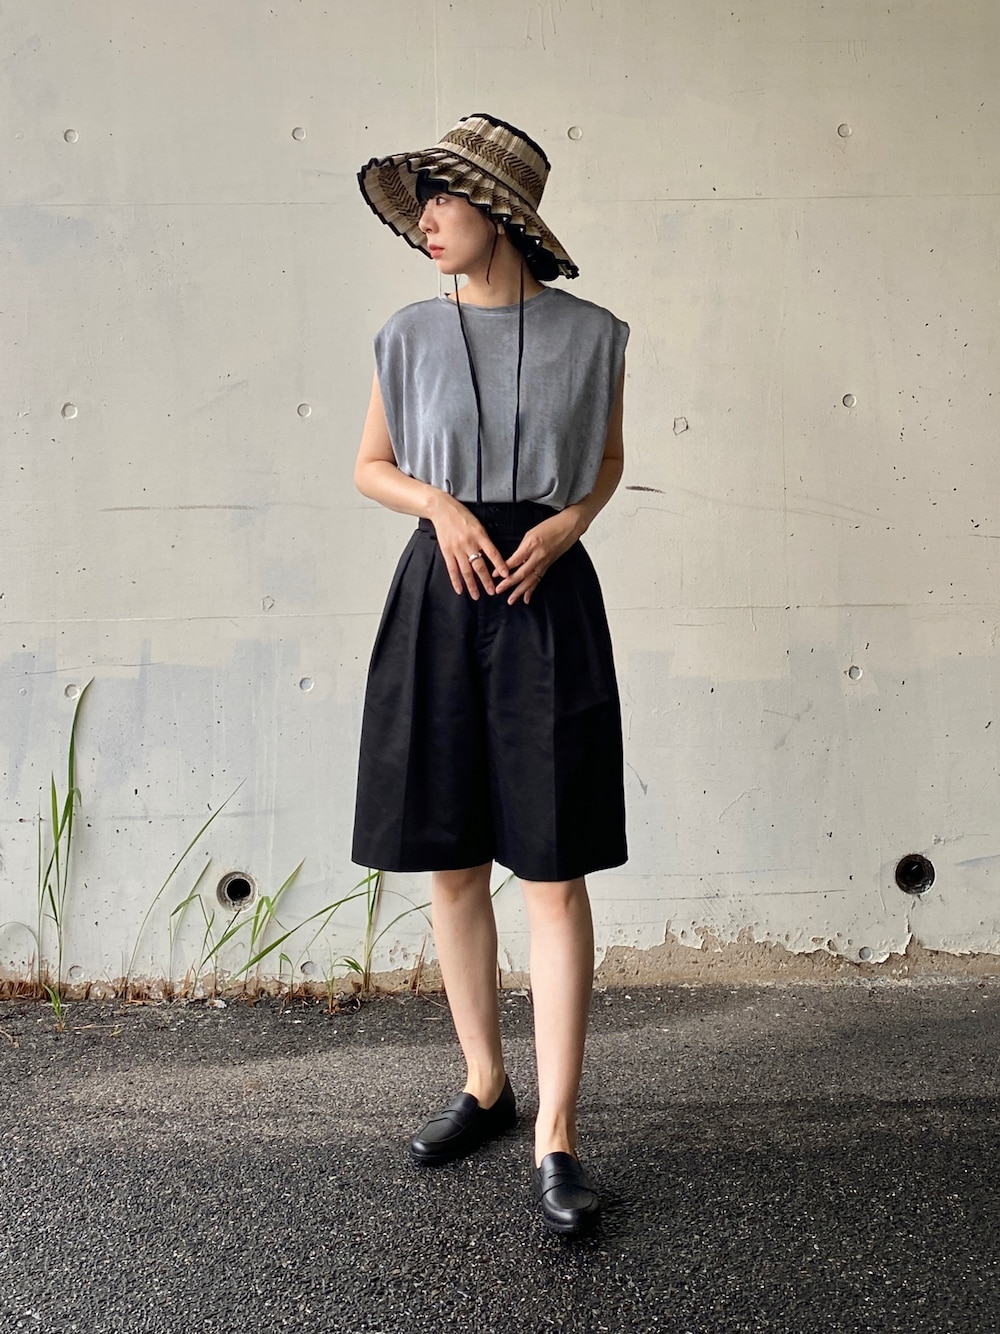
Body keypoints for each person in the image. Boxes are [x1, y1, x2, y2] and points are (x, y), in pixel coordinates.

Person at [352, 113, 628, 1236]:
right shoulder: (407, 334)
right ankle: (485, 1083)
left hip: (543, 595)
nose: (425, 220)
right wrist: (440, 505)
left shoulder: (593, 335)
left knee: (553, 870)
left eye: (443, 199)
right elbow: (369, 466)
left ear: (501, 214)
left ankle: (558, 1132)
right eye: (418, 201)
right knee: (453, 857)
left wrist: (568, 523)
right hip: (440, 591)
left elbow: (607, 460)